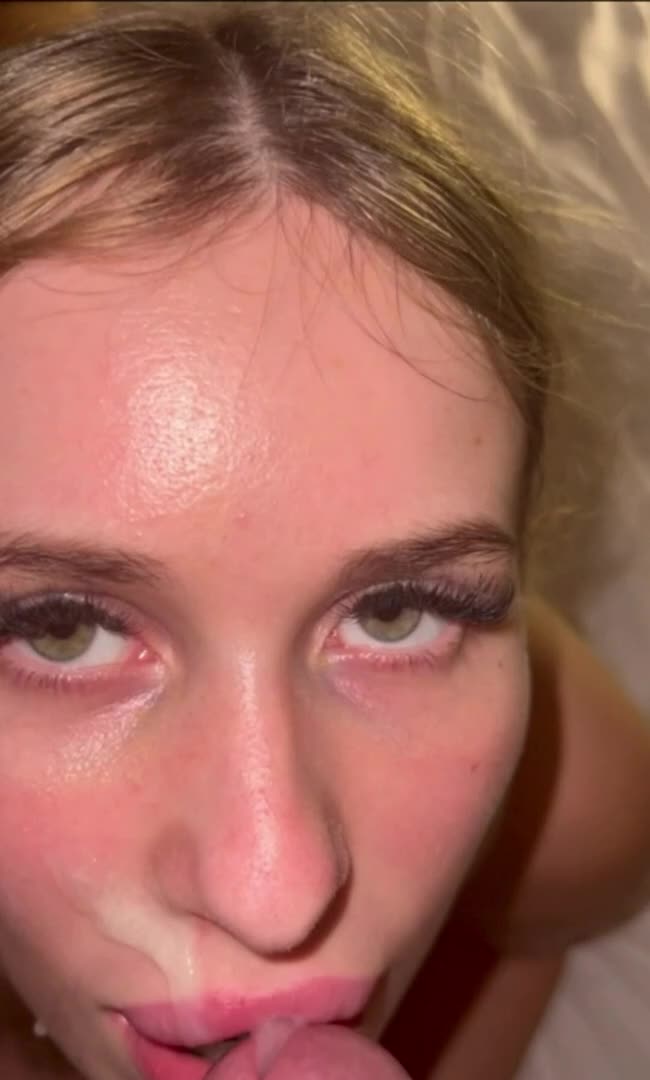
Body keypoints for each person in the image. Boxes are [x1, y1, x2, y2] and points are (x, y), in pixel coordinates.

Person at [0, 5, 647, 1079]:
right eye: (62, 628)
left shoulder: (575, 820)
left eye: (396, 612)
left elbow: (537, 933)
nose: (279, 893)